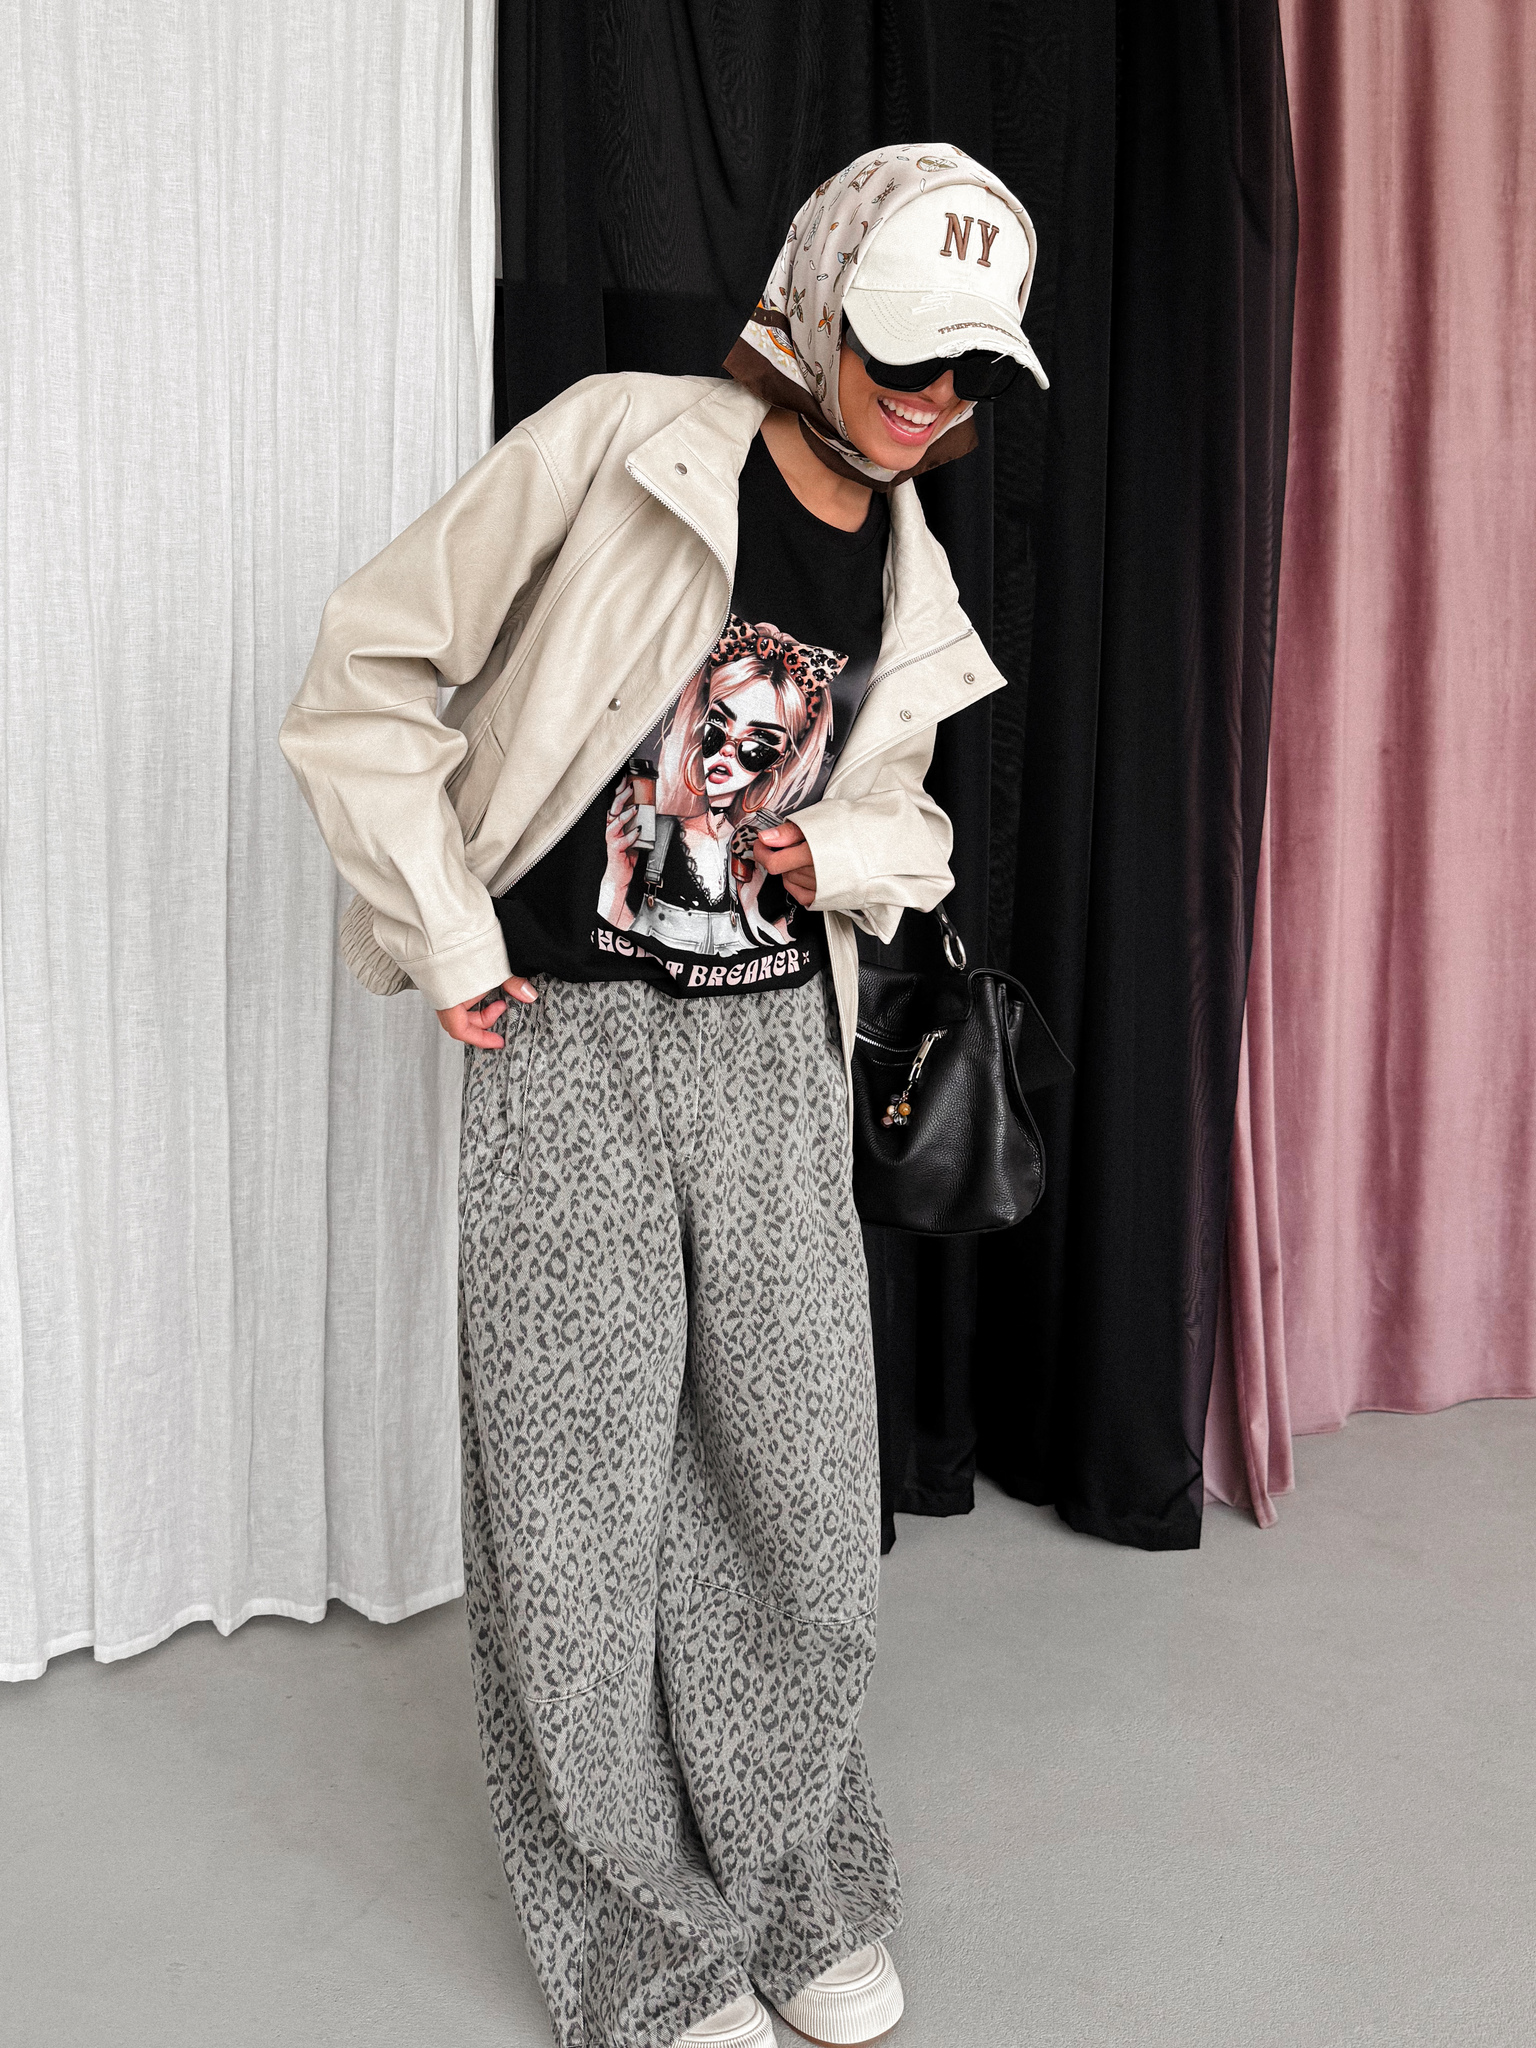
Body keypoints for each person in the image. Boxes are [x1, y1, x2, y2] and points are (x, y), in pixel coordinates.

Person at [281, 141, 1046, 2048]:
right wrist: (451, 934)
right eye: (904, 350)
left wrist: (830, 853)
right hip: (568, 1041)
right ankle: (641, 1945)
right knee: (575, 1513)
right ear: (818, 304)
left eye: (968, 368)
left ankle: (793, 1883)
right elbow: (366, 672)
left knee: (801, 1487)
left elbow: (905, 820)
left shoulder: (914, 571)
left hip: (770, 1050)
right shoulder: (621, 445)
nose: (932, 397)